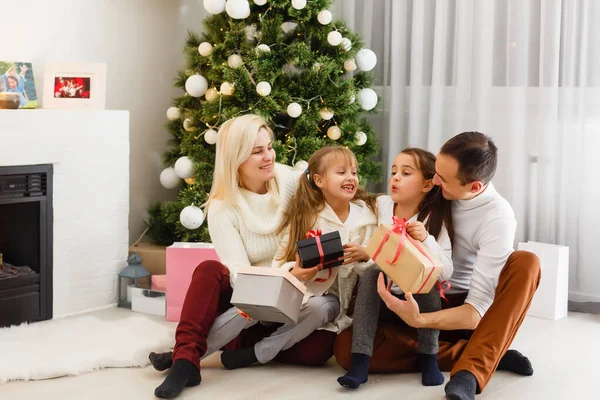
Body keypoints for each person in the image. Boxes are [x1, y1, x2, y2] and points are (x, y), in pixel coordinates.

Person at [150, 115, 339, 399]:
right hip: (248, 303)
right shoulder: (222, 207)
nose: (269, 157)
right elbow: (240, 276)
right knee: (209, 269)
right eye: (257, 151)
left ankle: (237, 353)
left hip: (294, 300)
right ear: (236, 158)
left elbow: (333, 208)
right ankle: (185, 362)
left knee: (321, 347)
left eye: (270, 147)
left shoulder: (292, 182)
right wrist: (285, 278)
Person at [342, 132, 540, 400]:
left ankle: (470, 371)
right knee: (344, 348)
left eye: (443, 179)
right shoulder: (433, 193)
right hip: (415, 295)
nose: (434, 181)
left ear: (474, 187)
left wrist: (420, 320)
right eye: (435, 173)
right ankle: (488, 353)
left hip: (459, 309)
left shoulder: (498, 216)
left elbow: (476, 310)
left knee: (527, 262)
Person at [337, 148, 454, 389]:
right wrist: (367, 251)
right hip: (383, 303)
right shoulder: (382, 205)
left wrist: (426, 240)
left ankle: (429, 356)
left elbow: (447, 272)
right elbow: (358, 219)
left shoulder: (434, 218)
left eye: (406, 172)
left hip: (417, 306)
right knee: (372, 273)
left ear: (427, 184)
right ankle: (360, 362)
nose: (395, 178)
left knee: (427, 281)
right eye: (393, 171)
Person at [272, 146, 378, 347]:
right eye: (341, 172)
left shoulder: (368, 219)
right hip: (310, 300)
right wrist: (295, 272)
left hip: (351, 310)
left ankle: (264, 348)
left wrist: (365, 257)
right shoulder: (306, 218)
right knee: (319, 308)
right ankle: (260, 350)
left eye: (354, 172)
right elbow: (278, 263)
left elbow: (376, 272)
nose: (351, 178)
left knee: (318, 349)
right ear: (319, 180)